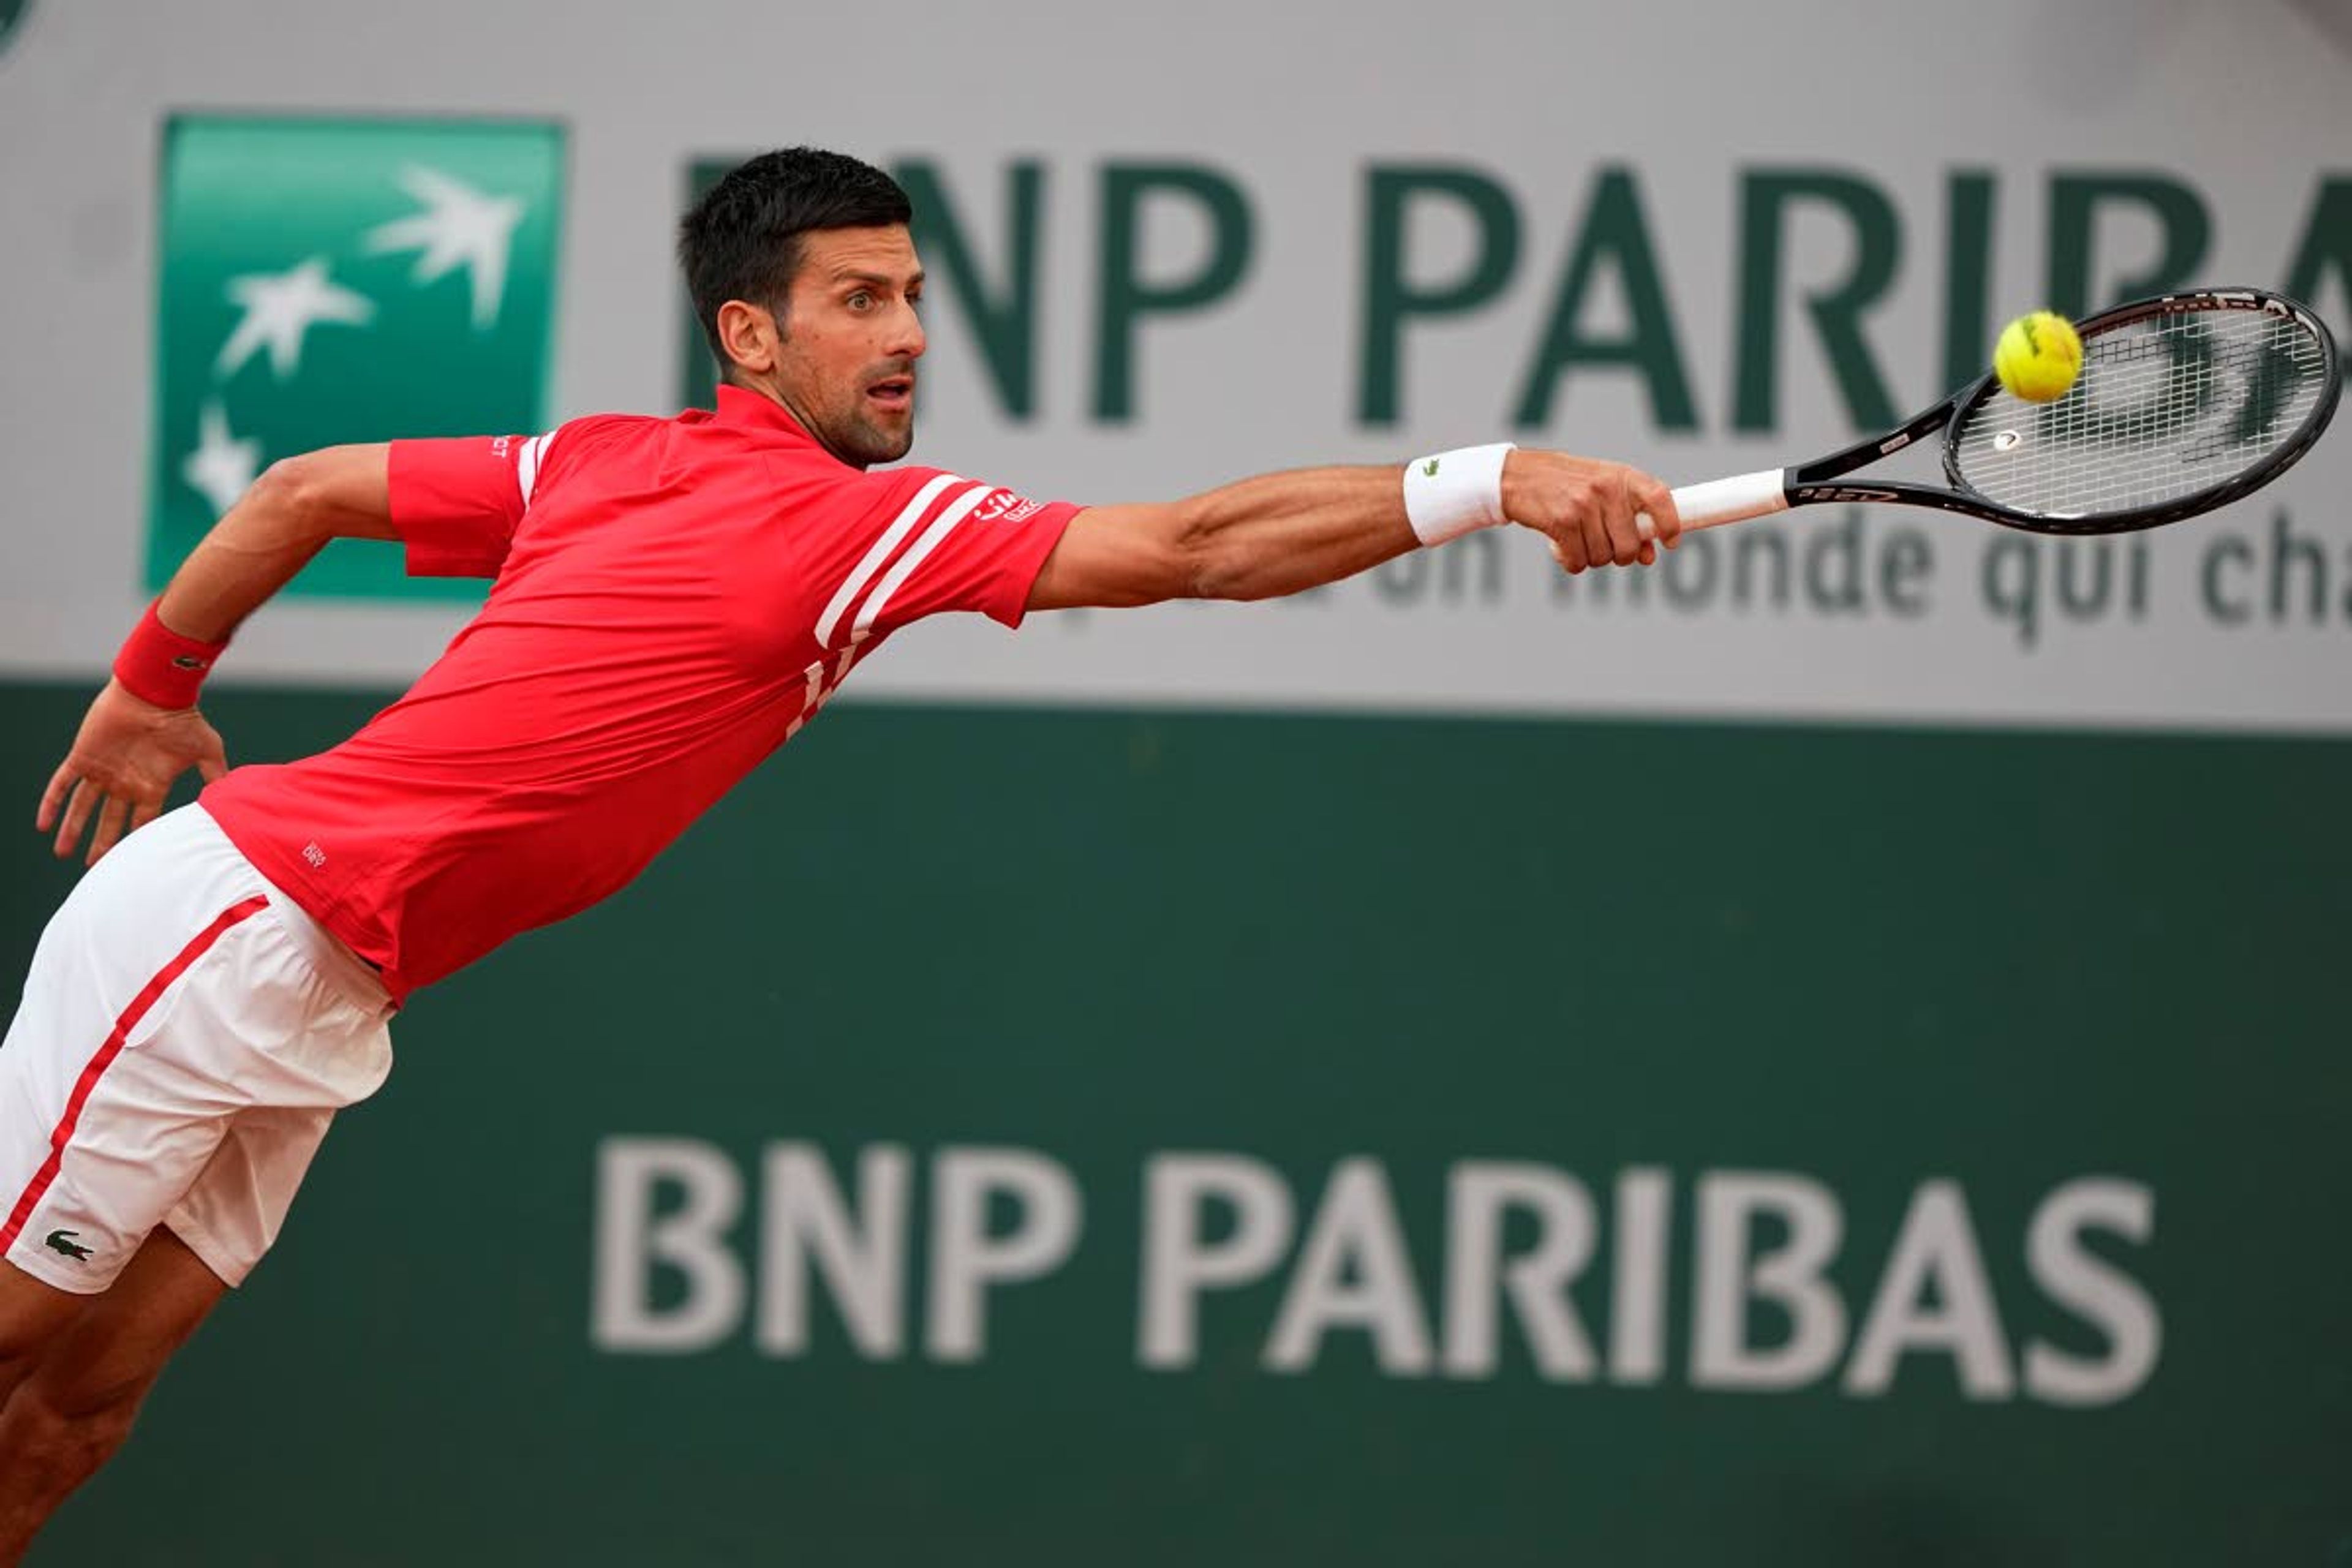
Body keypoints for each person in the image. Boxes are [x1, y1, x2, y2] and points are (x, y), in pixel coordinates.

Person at [0, 146, 1679, 1558]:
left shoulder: (600, 462)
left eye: (916, 300)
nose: (905, 339)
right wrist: (1496, 478)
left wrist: (158, 689)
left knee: (76, 1415)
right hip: (227, 926)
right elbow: (1196, 548)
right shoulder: (841, 519)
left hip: (330, 987)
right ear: (750, 331)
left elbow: (298, 494)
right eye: (860, 302)